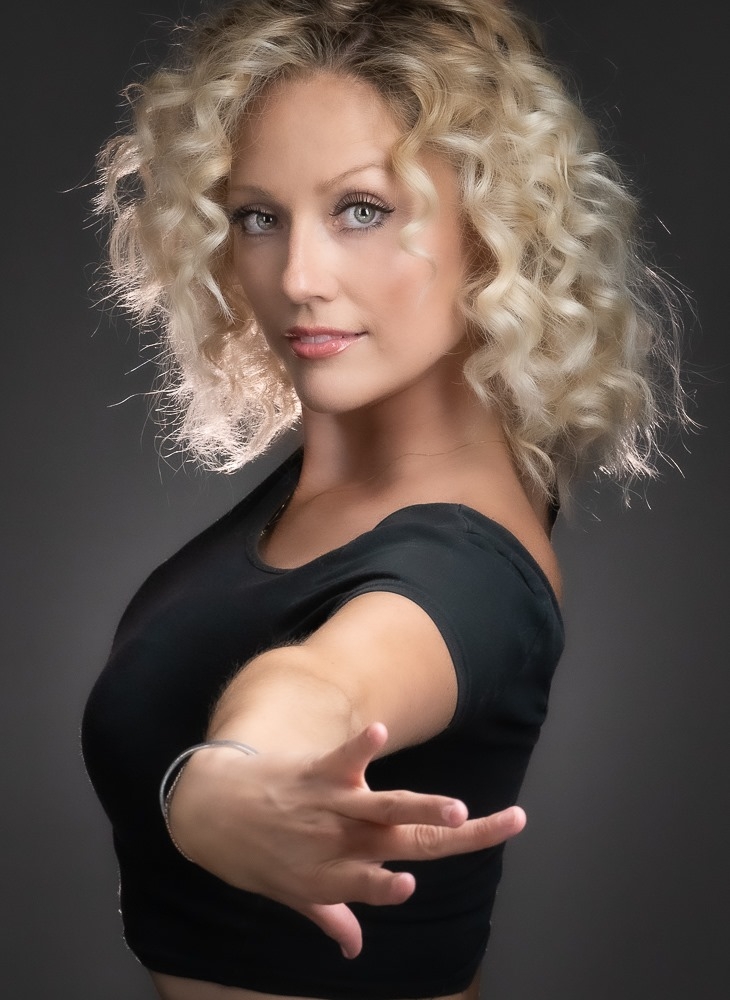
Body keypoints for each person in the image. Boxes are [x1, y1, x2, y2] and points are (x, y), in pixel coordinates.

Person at [81, 2, 686, 998]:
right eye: (259, 216)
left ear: (492, 229)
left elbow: (329, 684)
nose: (299, 276)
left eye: (362, 210)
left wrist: (226, 775)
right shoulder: (343, 476)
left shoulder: (469, 567)